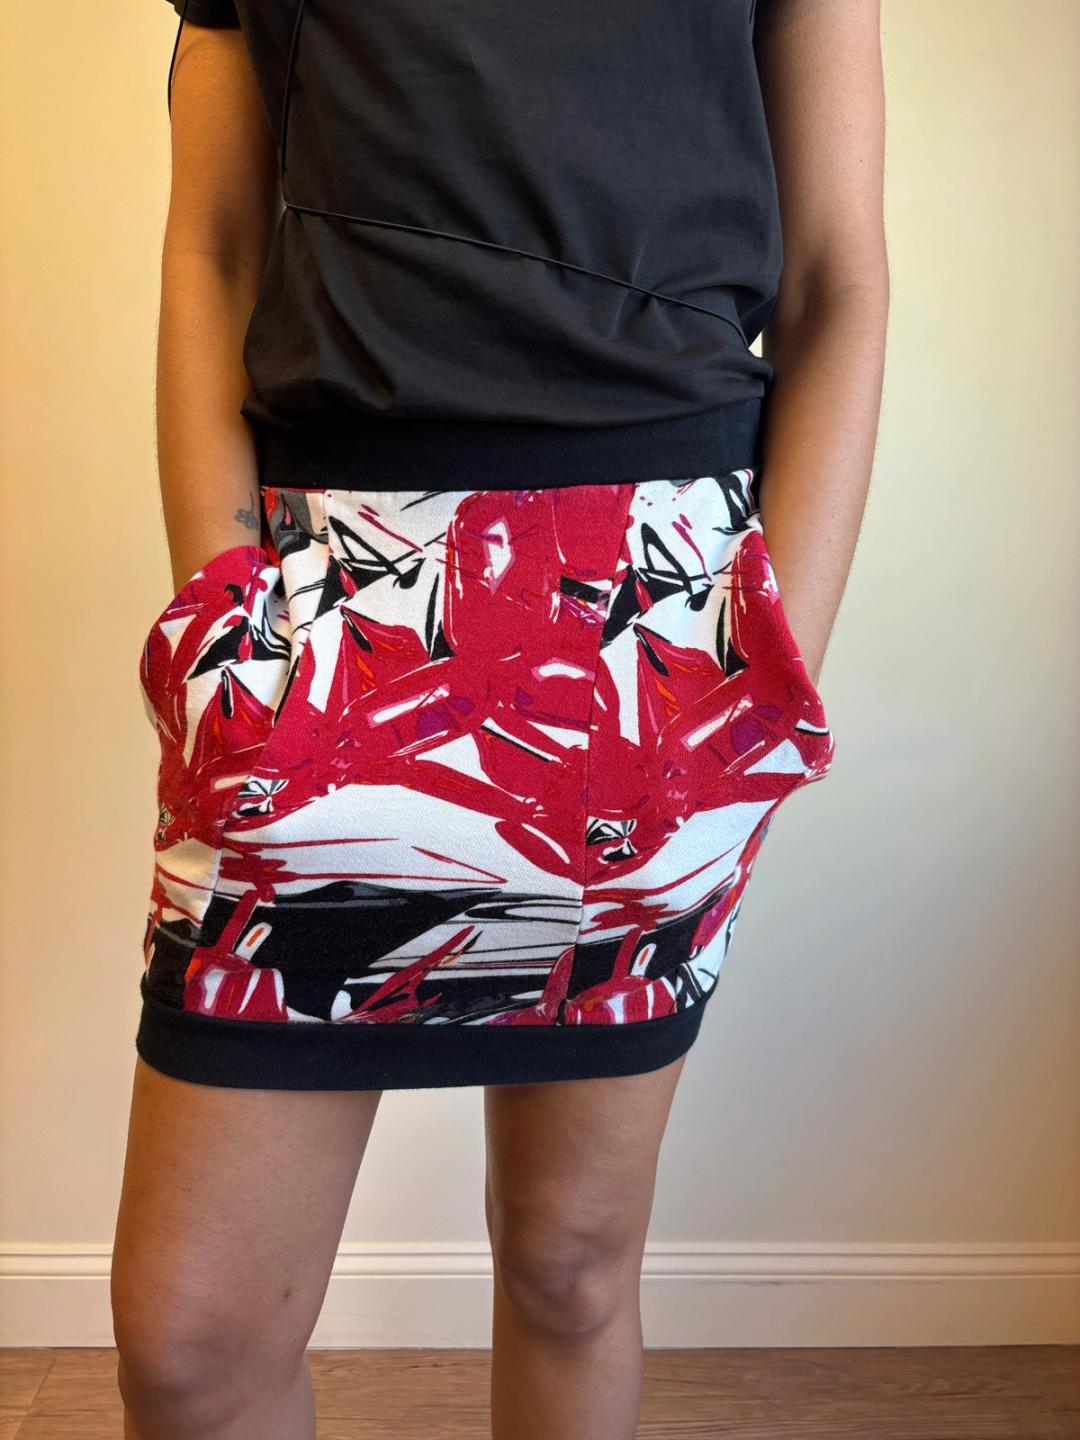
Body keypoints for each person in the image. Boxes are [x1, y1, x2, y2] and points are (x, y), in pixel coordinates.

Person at [110, 0, 888, 1434]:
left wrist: (768, 672)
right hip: (336, 597)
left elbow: (837, 278)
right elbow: (211, 244)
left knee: (569, 1266)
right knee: (192, 1344)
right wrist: (224, 620)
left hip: (652, 621)